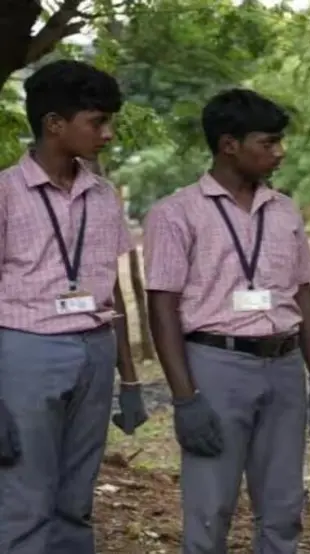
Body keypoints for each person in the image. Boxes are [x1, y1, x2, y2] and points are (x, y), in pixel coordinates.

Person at [142, 88, 310, 554]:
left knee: (284, 506)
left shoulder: (284, 209)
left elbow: (302, 294)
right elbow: (161, 306)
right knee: (211, 508)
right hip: (215, 364)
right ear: (229, 145)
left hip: (284, 365)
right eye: (267, 143)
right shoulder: (176, 213)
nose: (279, 152)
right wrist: (185, 399)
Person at [0, 59, 148, 554]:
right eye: (97, 122)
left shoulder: (103, 195)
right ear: (54, 124)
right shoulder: (4, 193)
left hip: (95, 350)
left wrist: (129, 379)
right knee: (24, 496)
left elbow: (113, 290)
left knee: (76, 498)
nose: (107, 135)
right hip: (26, 350)